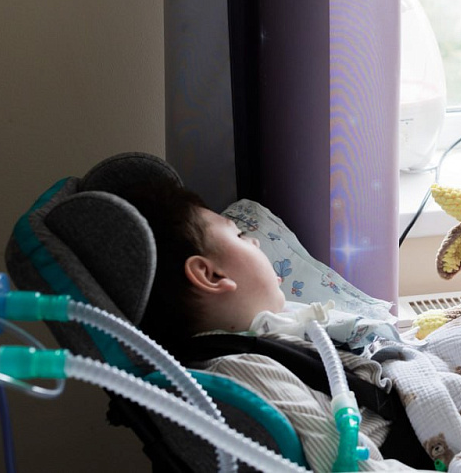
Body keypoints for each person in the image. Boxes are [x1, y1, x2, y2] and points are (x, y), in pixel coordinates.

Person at [122, 182, 413, 471]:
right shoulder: (246, 371)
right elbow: (350, 464)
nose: (256, 241)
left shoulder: (260, 339)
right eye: (239, 234)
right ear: (211, 275)